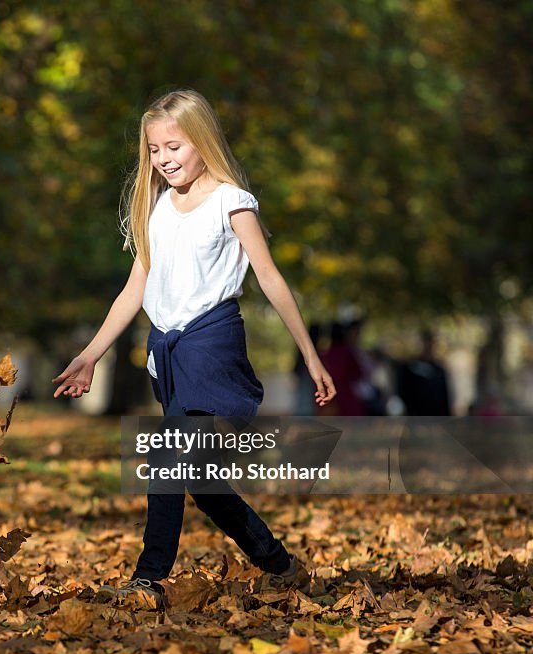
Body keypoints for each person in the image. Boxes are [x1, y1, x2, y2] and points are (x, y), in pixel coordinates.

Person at [52, 89, 335, 610]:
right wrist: (91, 354)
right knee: (201, 482)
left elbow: (271, 279)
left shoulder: (231, 201)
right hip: (168, 353)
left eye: (175, 147)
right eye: (155, 150)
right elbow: (137, 286)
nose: (164, 159)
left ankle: (148, 579)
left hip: (212, 346)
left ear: (202, 141)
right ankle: (278, 563)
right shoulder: (158, 208)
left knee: (165, 459)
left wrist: (310, 354)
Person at [396, 329, 451, 416]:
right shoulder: (410, 368)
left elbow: (444, 398)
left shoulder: (439, 370)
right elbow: (403, 392)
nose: (427, 346)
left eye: (430, 343)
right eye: (425, 343)